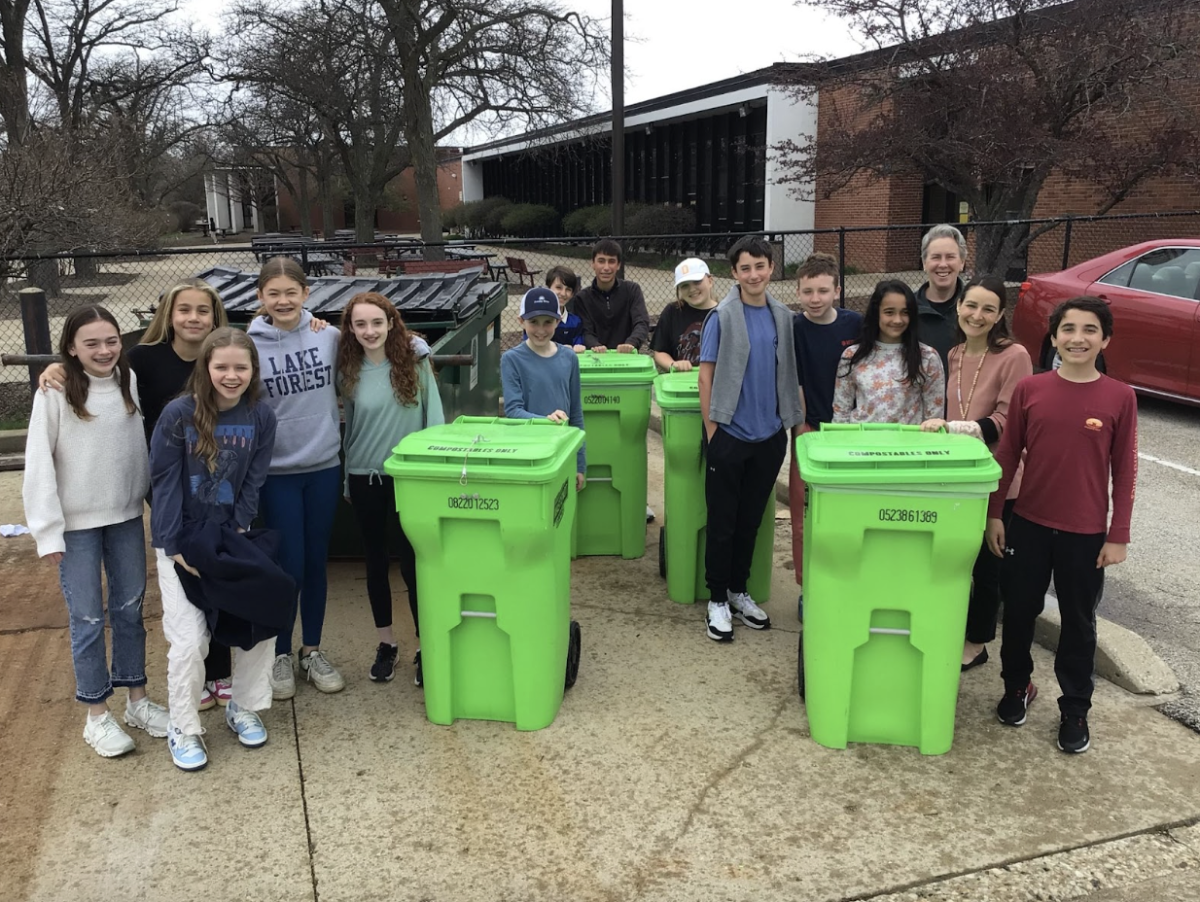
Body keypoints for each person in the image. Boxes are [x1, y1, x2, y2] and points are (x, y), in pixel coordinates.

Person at [985, 297, 1137, 755]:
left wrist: (1118, 535)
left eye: (1090, 330)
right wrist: (995, 513)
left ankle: (1075, 708)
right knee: (1017, 612)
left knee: (1079, 623)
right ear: (1053, 338)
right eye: (1068, 329)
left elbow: (1125, 470)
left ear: (1105, 339)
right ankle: (1017, 687)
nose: (1078, 338)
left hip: (1085, 534)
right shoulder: (1032, 389)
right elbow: (1008, 454)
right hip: (1027, 524)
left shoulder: (1119, 397)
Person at [23, 305, 169, 758]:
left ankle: (137, 701)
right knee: (87, 619)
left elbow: (136, 450)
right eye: (91, 343)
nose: (104, 350)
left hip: (125, 517)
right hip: (76, 528)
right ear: (71, 347)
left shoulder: (128, 382)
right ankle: (96, 714)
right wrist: (47, 532)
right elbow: (38, 464)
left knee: (129, 611)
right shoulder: (55, 392)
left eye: (110, 341)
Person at [150, 328, 280, 771]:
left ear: (253, 370)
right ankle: (183, 728)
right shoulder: (178, 414)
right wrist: (172, 546)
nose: (231, 375)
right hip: (182, 538)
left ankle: (243, 707)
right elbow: (164, 483)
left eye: (240, 367)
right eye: (221, 366)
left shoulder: (260, 416)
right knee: (190, 641)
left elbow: (254, 480)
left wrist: (240, 529)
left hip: (230, 535)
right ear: (205, 368)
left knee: (261, 616)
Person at [919, 275, 1033, 669]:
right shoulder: (952, 355)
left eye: (988, 308)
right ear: (959, 307)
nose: (977, 315)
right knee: (954, 560)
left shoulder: (1014, 355)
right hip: (957, 475)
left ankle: (978, 641)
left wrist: (952, 428)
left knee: (988, 565)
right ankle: (954, 627)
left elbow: (1006, 418)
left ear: (1001, 314)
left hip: (998, 478)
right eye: (971, 305)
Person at [248, 256, 346, 698]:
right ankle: (281, 652)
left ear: (306, 294)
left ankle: (313, 649)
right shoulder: (249, 345)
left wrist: (418, 346)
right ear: (260, 298)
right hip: (277, 472)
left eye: (292, 292)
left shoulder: (330, 338)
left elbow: (382, 348)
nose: (283, 300)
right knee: (287, 565)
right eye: (274, 293)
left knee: (315, 562)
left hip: (323, 466)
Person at [698, 236, 804, 642]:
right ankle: (717, 600)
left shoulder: (782, 316)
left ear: (771, 268)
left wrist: (786, 424)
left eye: (760, 265)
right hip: (730, 435)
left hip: (769, 436)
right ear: (734, 273)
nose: (754, 274)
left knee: (750, 522)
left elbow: (788, 372)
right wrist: (714, 431)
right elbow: (706, 376)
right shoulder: (722, 316)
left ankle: (739, 592)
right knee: (723, 522)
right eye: (745, 268)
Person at [337, 292, 445, 687]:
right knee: (375, 562)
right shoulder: (347, 368)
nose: (369, 331)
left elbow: (434, 421)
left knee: (414, 564)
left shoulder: (415, 361)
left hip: (409, 477)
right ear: (350, 328)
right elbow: (351, 430)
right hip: (365, 477)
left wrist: (433, 472)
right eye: (360, 324)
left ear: (391, 323)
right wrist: (349, 476)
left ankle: (424, 644)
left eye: (377, 323)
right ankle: (387, 643)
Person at [788, 253, 863, 620]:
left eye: (822, 290)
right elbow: (796, 380)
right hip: (811, 428)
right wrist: (803, 425)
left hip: (851, 430)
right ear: (798, 292)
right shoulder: (794, 328)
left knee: (847, 511)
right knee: (804, 512)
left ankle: (846, 580)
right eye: (807, 292)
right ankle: (807, 586)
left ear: (836, 289)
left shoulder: (855, 324)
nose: (815, 299)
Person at [501, 287, 586, 490]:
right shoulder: (511, 359)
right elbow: (513, 411)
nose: (541, 330)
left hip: (563, 449)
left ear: (558, 320)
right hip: (528, 453)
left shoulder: (569, 358)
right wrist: (547, 422)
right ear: (521, 321)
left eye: (547, 322)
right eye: (533, 322)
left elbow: (576, 413)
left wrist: (580, 464)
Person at [832, 280, 946, 424]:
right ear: (876, 313)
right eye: (889, 312)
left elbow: (934, 419)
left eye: (905, 312)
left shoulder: (927, 357)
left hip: (908, 445)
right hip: (862, 444)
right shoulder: (852, 356)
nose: (897, 320)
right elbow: (841, 414)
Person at [573, 238, 650, 353]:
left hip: (627, 356)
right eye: (601, 261)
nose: (606, 267)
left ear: (618, 265)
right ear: (593, 264)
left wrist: (630, 343)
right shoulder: (582, 298)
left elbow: (641, 322)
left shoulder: (632, 290)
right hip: (595, 358)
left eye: (611, 261)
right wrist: (595, 345)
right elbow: (585, 331)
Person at [915, 224, 969, 371]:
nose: (943, 264)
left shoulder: (975, 310)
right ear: (925, 263)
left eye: (950, 257)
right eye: (936, 257)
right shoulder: (907, 309)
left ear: (962, 262)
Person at [650, 258, 718, 373]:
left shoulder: (724, 313)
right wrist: (673, 364)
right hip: (680, 383)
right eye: (684, 285)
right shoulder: (672, 311)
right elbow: (660, 351)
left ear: (710, 281)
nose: (692, 289)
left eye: (697, 282)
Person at [544, 265, 586, 350]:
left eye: (568, 289)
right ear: (548, 288)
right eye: (558, 287)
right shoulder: (536, 319)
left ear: (572, 294)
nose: (563, 293)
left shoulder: (576, 322)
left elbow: (579, 344)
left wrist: (578, 348)